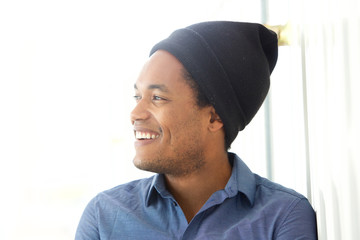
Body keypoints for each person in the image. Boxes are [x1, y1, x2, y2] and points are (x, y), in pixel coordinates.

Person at [75, 21, 318, 239]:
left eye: (157, 97)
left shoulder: (283, 217)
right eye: (137, 96)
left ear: (214, 117)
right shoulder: (103, 217)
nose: (135, 114)